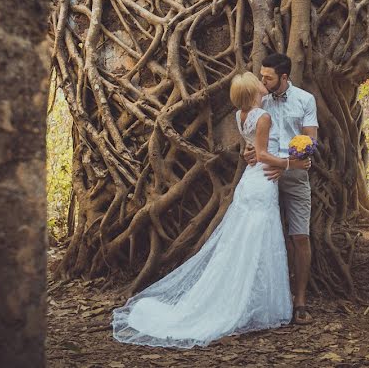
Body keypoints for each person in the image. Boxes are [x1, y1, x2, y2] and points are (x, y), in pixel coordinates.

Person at [111, 71, 307, 348]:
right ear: (253, 91)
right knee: (258, 241)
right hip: (262, 182)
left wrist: (259, 155)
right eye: (259, 81)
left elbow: (248, 151)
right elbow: (261, 155)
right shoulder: (263, 117)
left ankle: (249, 299)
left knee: (244, 241)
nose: (264, 83)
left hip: (250, 182)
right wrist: (291, 164)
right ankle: (248, 303)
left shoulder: (241, 116)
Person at [244, 53, 318, 325]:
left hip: (295, 175)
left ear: (284, 77)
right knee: (262, 236)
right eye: (261, 75)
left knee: (300, 236)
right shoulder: (259, 99)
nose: (262, 80)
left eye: (268, 77)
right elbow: (251, 137)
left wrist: (287, 164)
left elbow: (311, 142)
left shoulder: (305, 100)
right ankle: (263, 300)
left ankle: (299, 301)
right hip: (265, 175)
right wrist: (250, 151)